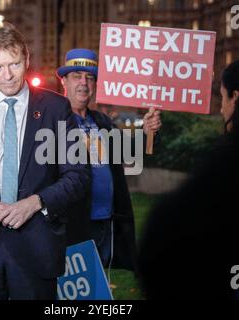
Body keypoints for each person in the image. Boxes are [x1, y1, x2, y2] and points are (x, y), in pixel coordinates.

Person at [0, 23, 90, 300]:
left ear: (27, 59)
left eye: (14, 64)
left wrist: (36, 203)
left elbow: (77, 175)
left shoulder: (56, 109)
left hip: (37, 246)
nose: (7, 75)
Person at [137, 60, 239, 299]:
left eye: (222, 98)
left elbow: (164, 240)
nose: (221, 108)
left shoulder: (227, 161)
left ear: (235, 97)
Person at [56, 48, 161, 270]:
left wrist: (148, 131)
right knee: (72, 291)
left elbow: (129, 152)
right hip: (72, 225)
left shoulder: (102, 120)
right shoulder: (52, 121)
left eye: (90, 77)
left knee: (99, 286)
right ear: (64, 81)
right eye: (76, 76)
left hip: (105, 220)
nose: (83, 83)